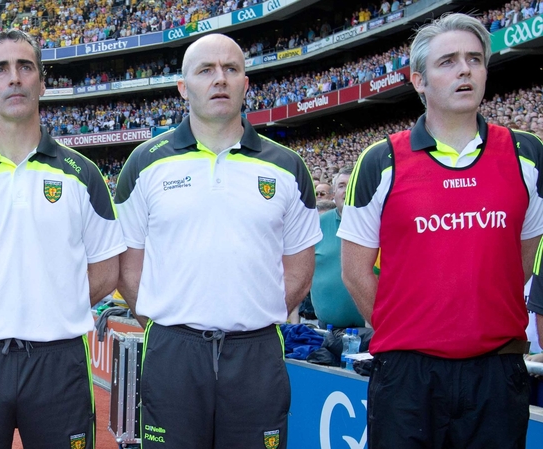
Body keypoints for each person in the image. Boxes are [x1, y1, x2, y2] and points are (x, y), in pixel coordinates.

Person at [338, 13, 543, 448]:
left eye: (474, 59)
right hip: (407, 377)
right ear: (419, 80)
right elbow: (355, 272)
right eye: (448, 61)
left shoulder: (527, 154)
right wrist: (410, 334)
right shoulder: (379, 160)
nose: (465, 69)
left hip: (497, 373)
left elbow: (520, 260)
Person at [0, 30, 126, 449]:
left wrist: (53, 304)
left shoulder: (82, 175)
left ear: (41, 82)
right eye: (0, 69)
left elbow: (106, 271)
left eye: (25, 66)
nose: (14, 78)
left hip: (59, 360)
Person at [115, 33, 321, 448]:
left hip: (256, 352)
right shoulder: (144, 162)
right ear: (182, 88)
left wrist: (254, 311)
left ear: (246, 84)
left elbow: (300, 265)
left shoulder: (287, 166)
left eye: (231, 69)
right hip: (173, 351)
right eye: (206, 70)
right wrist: (163, 326)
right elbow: (127, 266)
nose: (220, 79)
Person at [311, 166, 364, 329]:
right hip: (328, 331)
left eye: (353, 184)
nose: (347, 191)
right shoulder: (316, 225)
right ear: (334, 193)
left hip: (374, 329)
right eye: (342, 186)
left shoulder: (380, 224)